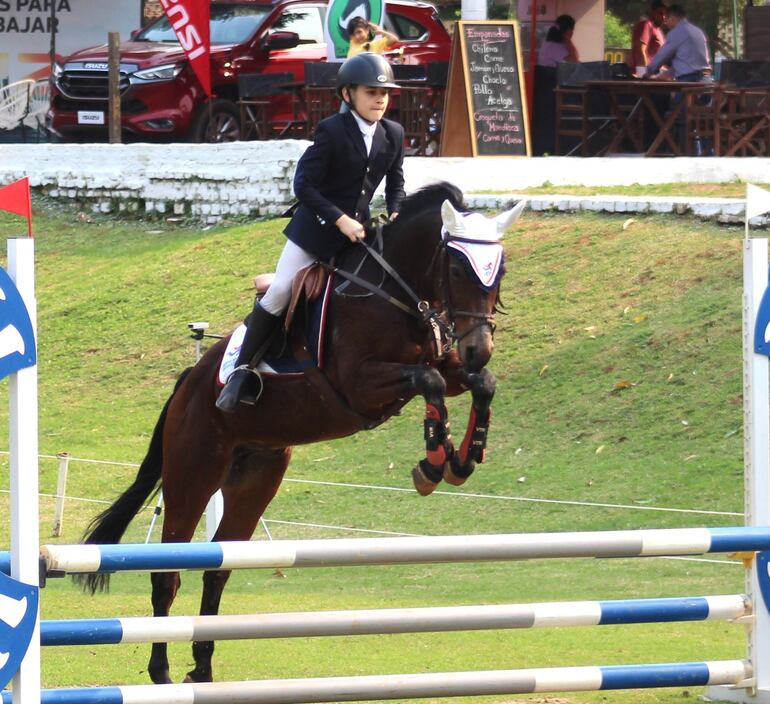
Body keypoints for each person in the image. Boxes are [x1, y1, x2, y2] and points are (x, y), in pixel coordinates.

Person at [216, 52, 405, 413]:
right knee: (282, 291)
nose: (380, 99)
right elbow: (304, 186)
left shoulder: (392, 133)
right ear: (348, 94)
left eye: (385, 93)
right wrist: (339, 219)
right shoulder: (332, 130)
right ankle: (242, 371)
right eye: (371, 92)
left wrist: (397, 209)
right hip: (315, 232)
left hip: (358, 235)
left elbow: (396, 183)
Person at [643, 4, 711, 82]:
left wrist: (648, 71)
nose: (665, 23)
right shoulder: (698, 31)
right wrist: (667, 73)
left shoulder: (677, 32)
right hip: (706, 80)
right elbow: (687, 62)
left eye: (666, 19)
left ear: (672, 18)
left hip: (689, 81)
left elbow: (662, 56)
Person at [631, 1, 668, 74]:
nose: (663, 17)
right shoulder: (646, 25)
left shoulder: (658, 31)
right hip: (646, 76)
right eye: (660, 13)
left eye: (665, 15)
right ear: (652, 12)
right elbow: (640, 51)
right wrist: (644, 75)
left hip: (657, 74)